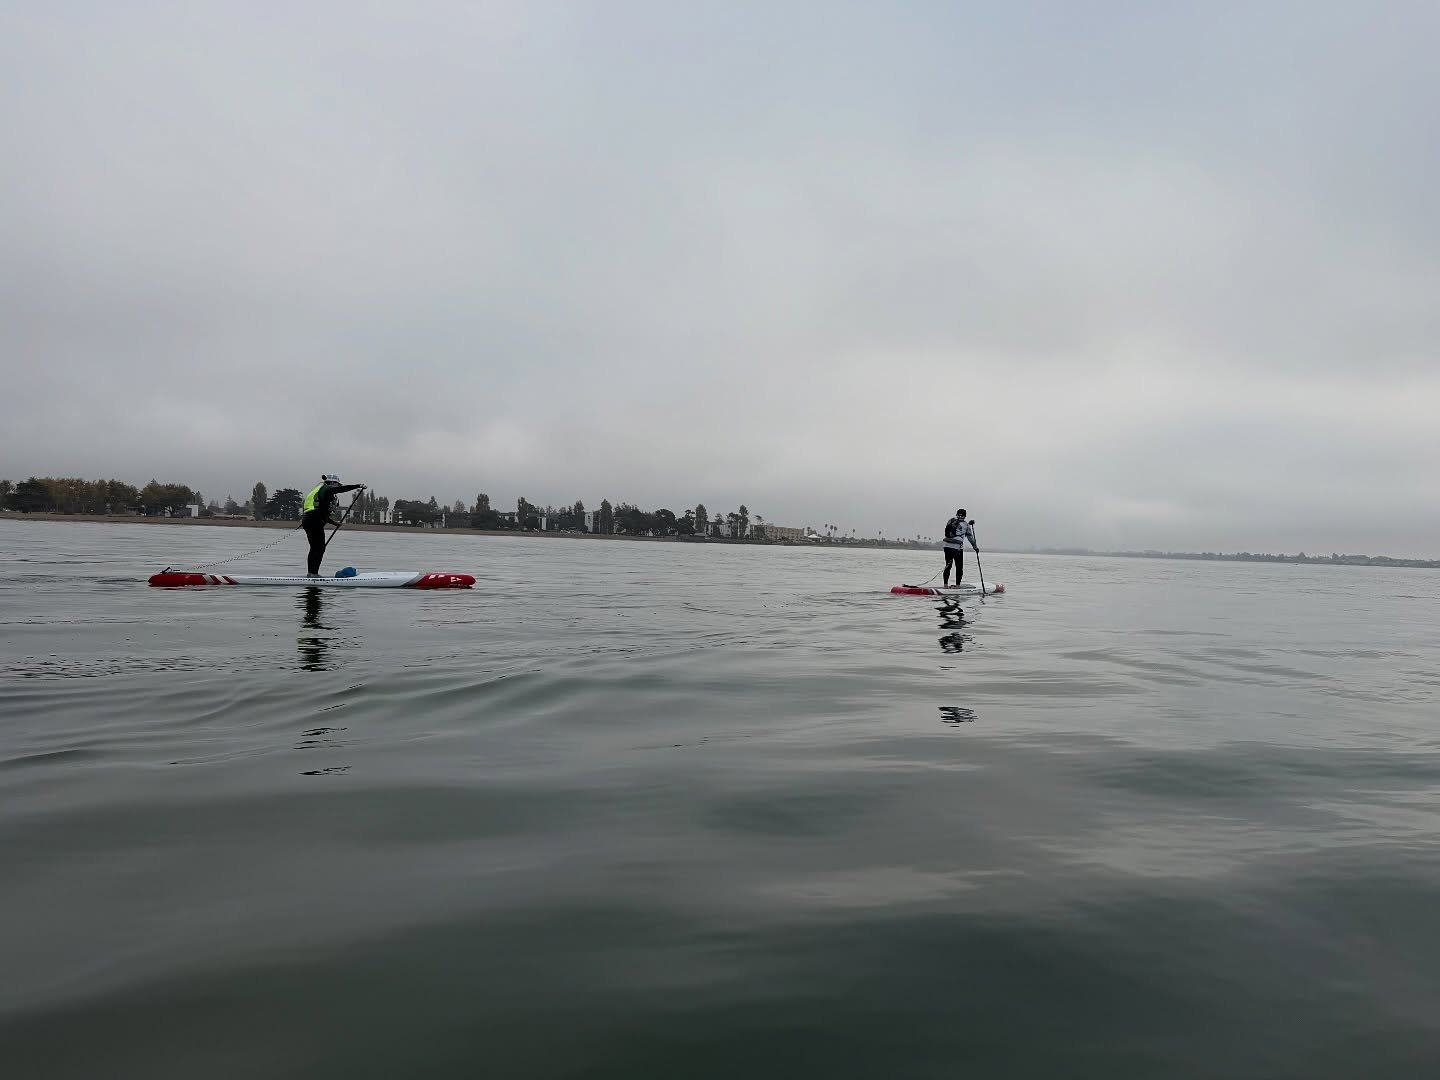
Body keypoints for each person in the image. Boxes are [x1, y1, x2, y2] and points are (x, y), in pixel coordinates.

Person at [301, 474, 365, 576]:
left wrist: (334, 523)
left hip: (309, 520)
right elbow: (341, 489)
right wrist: (358, 486)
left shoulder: (321, 491)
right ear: (332, 483)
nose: (338, 487)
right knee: (319, 548)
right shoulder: (326, 488)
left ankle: (311, 573)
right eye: (337, 484)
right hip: (314, 520)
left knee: (316, 548)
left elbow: (321, 512)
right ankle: (313, 574)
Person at [942, 507, 977, 586]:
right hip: (957, 548)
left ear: (956, 515)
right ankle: (957, 585)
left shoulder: (951, 521)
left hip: (947, 546)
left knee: (948, 565)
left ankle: (945, 585)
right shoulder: (966, 525)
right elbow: (970, 537)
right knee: (959, 567)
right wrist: (975, 547)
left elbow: (947, 531)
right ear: (965, 516)